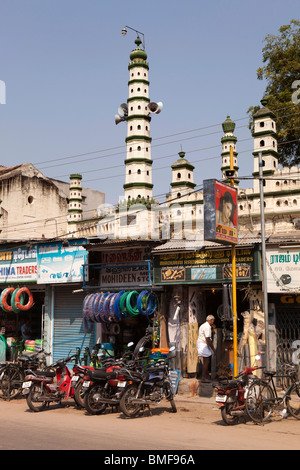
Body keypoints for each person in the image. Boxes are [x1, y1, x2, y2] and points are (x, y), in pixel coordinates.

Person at [197, 315, 216, 382]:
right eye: (213, 320)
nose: (213, 322)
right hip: (203, 344)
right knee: (206, 361)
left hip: (201, 343)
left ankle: (205, 375)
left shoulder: (203, 325)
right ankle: (203, 377)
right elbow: (208, 338)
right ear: (211, 320)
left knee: (206, 360)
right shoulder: (207, 327)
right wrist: (213, 348)